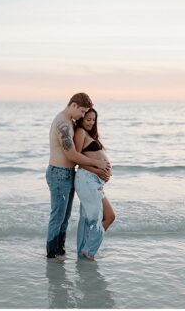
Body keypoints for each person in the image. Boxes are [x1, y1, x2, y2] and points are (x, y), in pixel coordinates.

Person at [45, 93, 111, 260]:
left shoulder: (69, 122)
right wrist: (98, 164)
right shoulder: (63, 125)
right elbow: (73, 155)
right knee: (58, 217)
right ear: (73, 105)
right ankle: (52, 255)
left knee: (65, 218)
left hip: (67, 173)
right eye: (82, 111)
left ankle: (60, 251)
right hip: (59, 173)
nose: (83, 116)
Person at [72, 108, 114, 260]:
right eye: (88, 119)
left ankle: (84, 250)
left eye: (93, 119)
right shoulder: (80, 132)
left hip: (95, 182)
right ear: (82, 119)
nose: (91, 122)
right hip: (87, 179)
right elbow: (76, 159)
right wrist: (97, 171)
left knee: (109, 216)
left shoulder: (90, 135)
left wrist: (102, 173)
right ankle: (89, 252)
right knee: (95, 219)